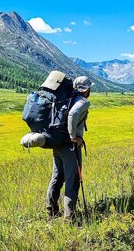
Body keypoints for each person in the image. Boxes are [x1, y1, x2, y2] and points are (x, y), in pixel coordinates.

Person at [46, 76, 93, 221]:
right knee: (72, 180)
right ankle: (70, 218)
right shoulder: (83, 102)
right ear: (86, 89)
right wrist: (73, 136)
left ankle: (51, 212)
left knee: (57, 178)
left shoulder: (66, 100)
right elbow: (73, 114)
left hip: (58, 143)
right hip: (70, 147)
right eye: (89, 87)